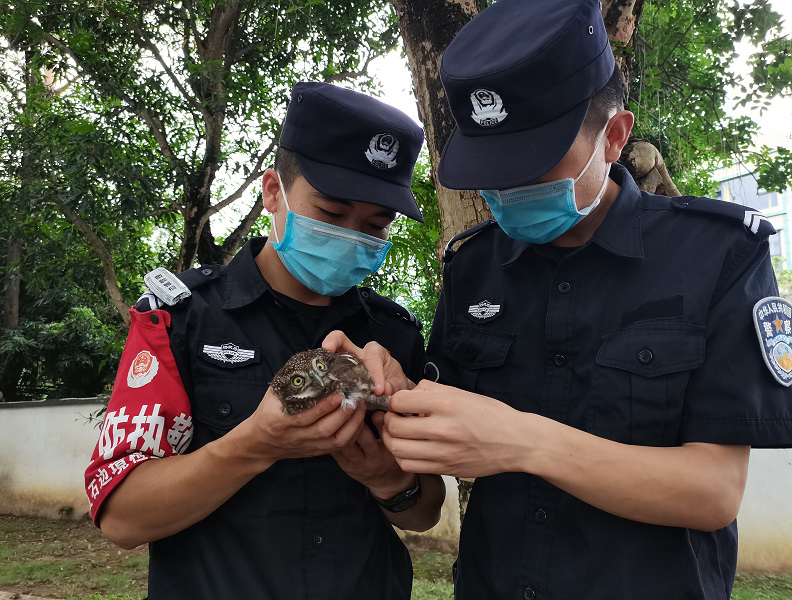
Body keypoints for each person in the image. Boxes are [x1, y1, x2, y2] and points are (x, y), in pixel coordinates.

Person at [341, 1, 792, 598]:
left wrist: (523, 440)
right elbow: (445, 452)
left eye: (534, 166)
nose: (508, 190)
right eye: (493, 170)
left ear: (614, 136)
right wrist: (395, 407)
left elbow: (711, 493)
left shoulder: (715, 255)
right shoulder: (473, 266)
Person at [84, 81, 445, 600]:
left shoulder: (392, 337)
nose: (351, 236)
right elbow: (120, 516)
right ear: (273, 190)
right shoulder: (179, 319)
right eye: (332, 214)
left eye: (375, 225)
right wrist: (255, 444)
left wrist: (389, 478)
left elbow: (424, 511)